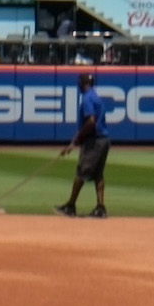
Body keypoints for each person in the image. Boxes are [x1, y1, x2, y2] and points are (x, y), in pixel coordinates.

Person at [56, 69, 114, 216]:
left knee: (82, 172)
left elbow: (90, 122)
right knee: (98, 174)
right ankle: (100, 207)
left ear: (82, 84)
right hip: (104, 139)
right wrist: (74, 143)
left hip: (94, 140)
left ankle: (71, 205)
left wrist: (77, 139)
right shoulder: (96, 97)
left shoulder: (87, 98)